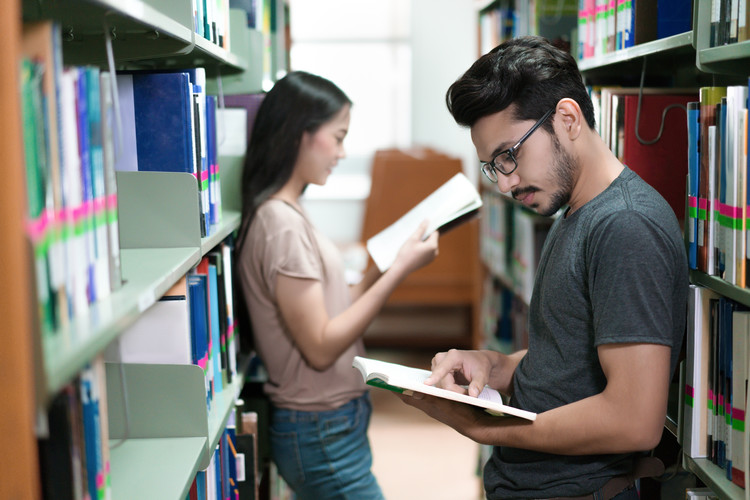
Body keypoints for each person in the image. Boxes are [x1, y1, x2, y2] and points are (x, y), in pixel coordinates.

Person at [399, 36, 688, 499]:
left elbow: (634, 421)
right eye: (493, 166)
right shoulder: (574, 210)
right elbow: (566, 365)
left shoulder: (625, 227)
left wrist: (487, 430)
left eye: (509, 156)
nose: (505, 182)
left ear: (568, 119)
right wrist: (490, 366)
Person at [234, 70, 439, 500]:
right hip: (319, 430)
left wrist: (381, 270)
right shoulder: (280, 223)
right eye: (339, 137)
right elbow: (321, 347)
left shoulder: (288, 211)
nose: (343, 153)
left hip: (331, 424)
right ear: (300, 134)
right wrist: (399, 270)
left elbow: (337, 314)